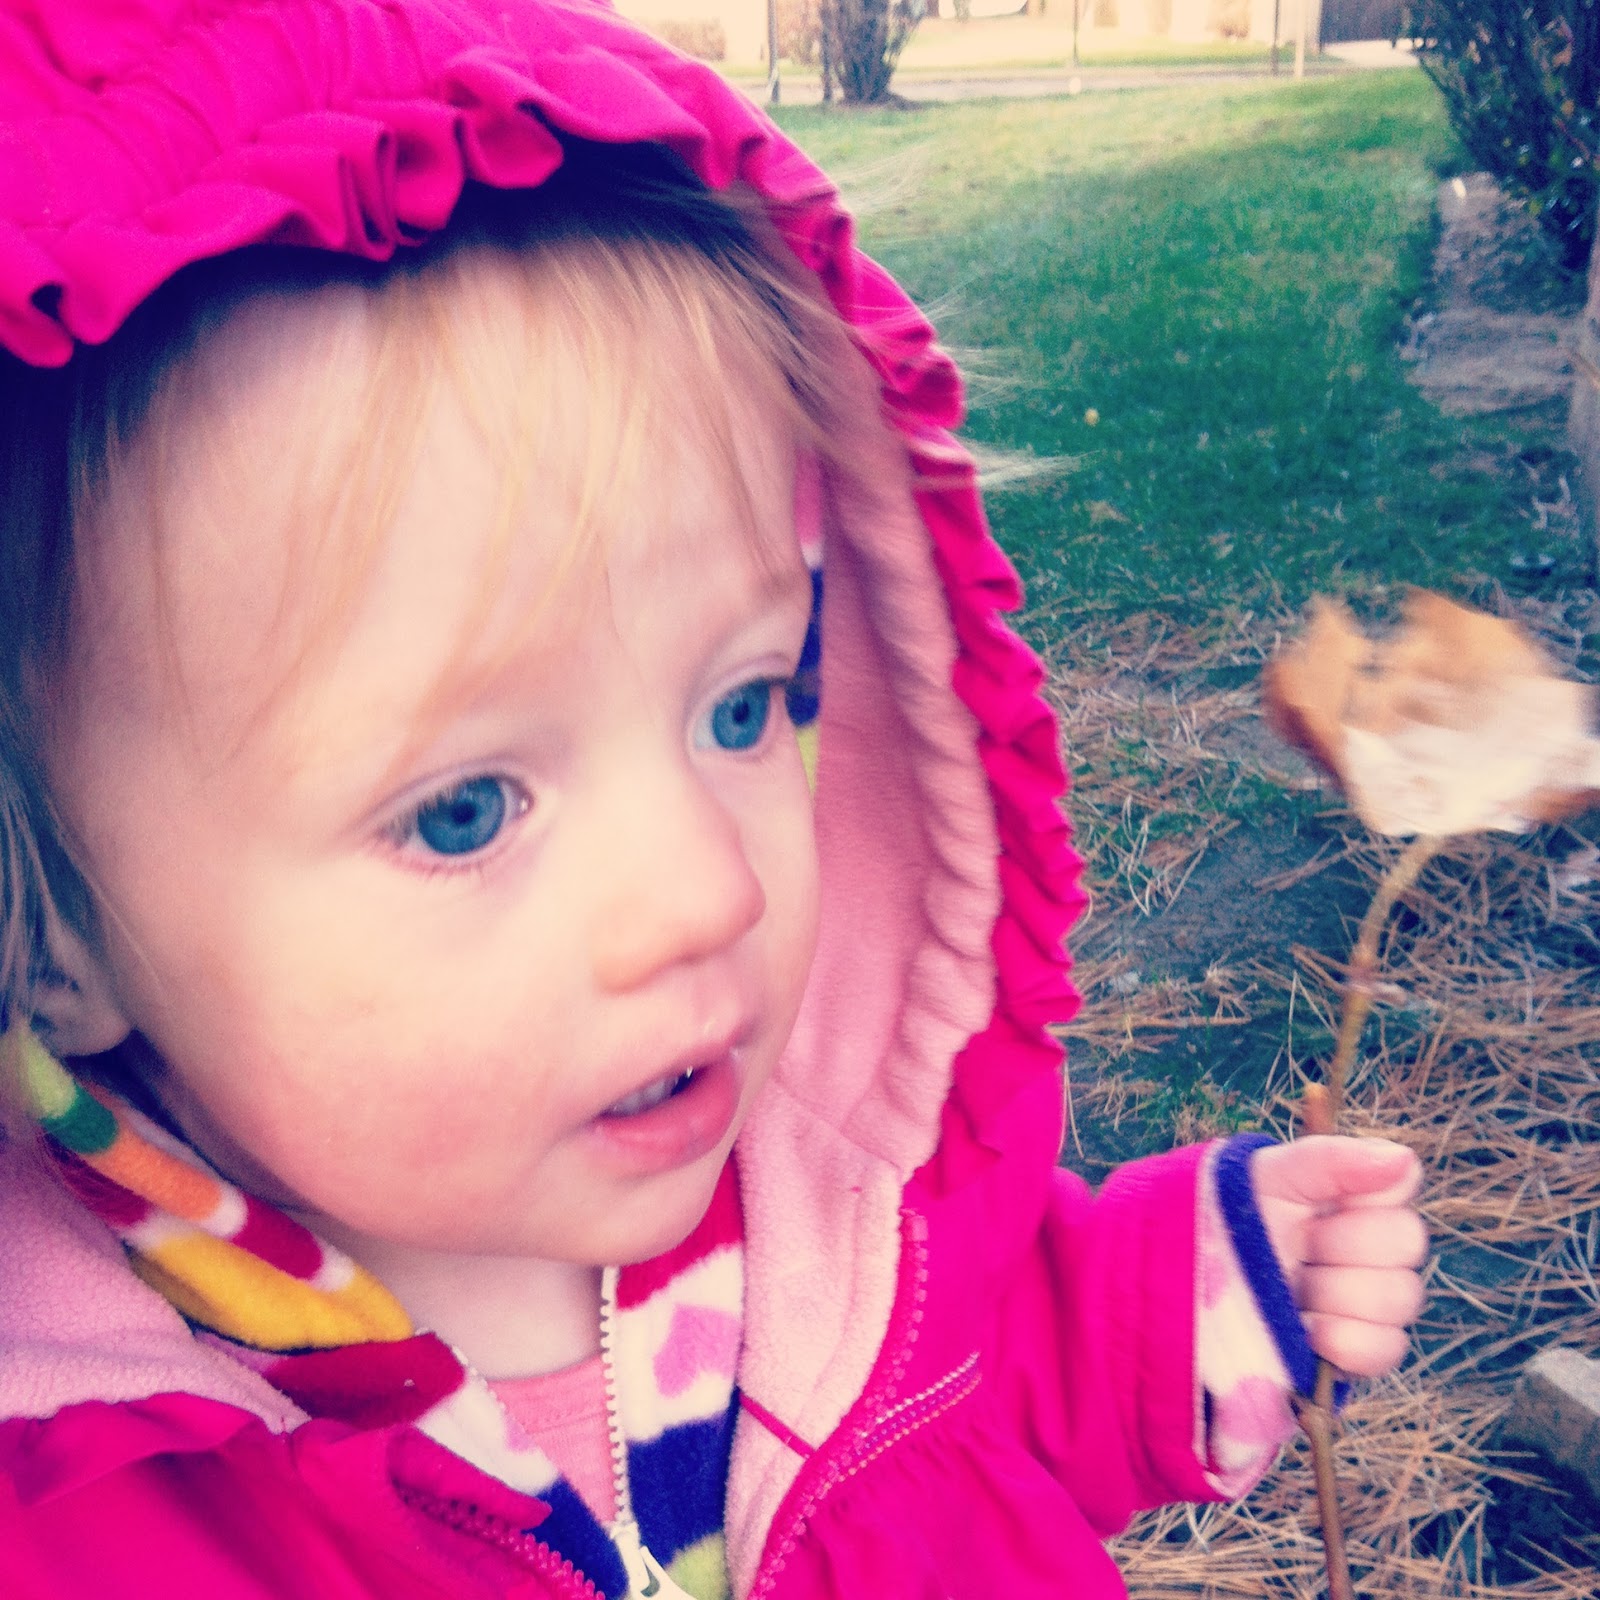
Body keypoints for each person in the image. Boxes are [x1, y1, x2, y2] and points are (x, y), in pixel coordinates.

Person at [0, 3, 1427, 1596]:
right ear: (52, 932)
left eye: (742, 708)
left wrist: (1191, 1290)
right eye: (466, 810)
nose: (711, 891)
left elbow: (989, 1368)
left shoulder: (833, 1226)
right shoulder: (85, 1502)